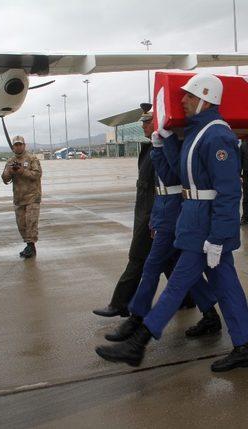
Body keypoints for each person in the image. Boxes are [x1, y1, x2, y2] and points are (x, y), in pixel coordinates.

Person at [96, 73, 248, 372]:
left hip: (207, 228)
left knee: (178, 284)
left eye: (190, 96)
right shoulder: (200, 132)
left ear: (206, 99)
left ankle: (138, 344)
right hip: (196, 222)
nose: (182, 100)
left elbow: (228, 191)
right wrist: (164, 144)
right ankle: (243, 347)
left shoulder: (218, 135)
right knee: (228, 287)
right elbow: (181, 178)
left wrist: (219, 236)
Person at [102, 109, 221, 342]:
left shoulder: (175, 142)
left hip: (176, 212)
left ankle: (137, 318)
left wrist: (163, 145)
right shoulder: (156, 144)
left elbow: (173, 178)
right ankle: (210, 314)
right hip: (165, 210)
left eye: (147, 121)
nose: (144, 126)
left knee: (153, 265)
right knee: (180, 268)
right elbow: (157, 188)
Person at [92, 107, 194, 317]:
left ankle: (120, 303)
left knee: (138, 258)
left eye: (147, 121)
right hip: (150, 212)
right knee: (168, 260)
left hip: (155, 214)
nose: (143, 125)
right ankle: (189, 297)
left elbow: (164, 187)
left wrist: (152, 220)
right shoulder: (150, 147)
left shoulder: (166, 147)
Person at [1, 135, 42, 258]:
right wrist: (10, 171)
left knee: (31, 222)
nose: (18, 147)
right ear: (13, 147)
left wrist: (22, 171)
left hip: (32, 197)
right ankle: (29, 245)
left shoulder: (32, 159)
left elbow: (37, 175)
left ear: (24, 145)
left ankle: (30, 245)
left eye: (20, 144)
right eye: (16, 145)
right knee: (21, 224)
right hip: (19, 198)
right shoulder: (10, 161)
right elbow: (4, 178)